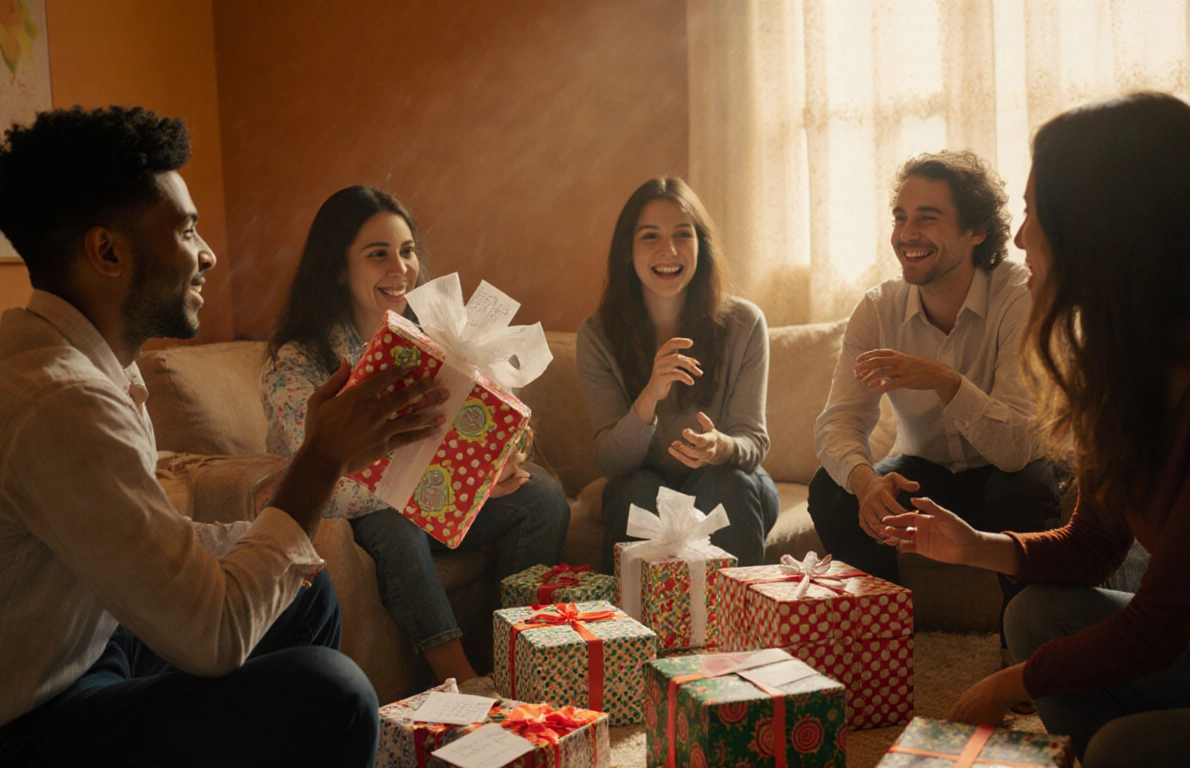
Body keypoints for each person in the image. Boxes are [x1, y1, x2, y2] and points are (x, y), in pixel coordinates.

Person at [885, 93, 1190, 766]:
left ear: (1107, 230)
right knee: (1035, 615)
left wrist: (1011, 684)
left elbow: (1159, 626)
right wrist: (975, 546)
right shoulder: (1132, 364)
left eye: (1039, 215)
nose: (1019, 238)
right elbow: (1095, 546)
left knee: (1127, 747)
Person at [0, 107, 448, 767]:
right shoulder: (62, 402)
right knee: (337, 692)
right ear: (108, 252)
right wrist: (318, 463)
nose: (207, 253)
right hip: (38, 714)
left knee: (304, 585)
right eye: (185, 229)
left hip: (97, 639)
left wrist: (271, 512)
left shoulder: (86, 362)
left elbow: (139, 541)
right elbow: (211, 637)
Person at [262, 185, 570, 689]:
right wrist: (460, 485)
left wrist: (503, 452)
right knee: (395, 525)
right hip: (362, 511)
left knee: (543, 497)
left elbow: (465, 432)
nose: (400, 267)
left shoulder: (431, 340)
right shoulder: (297, 360)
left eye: (406, 251)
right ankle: (464, 682)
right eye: (378, 254)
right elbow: (325, 477)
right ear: (339, 267)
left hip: (437, 504)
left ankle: (517, 657)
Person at [809, 150, 1059, 648]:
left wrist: (944, 380)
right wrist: (864, 483)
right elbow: (837, 423)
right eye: (901, 218)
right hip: (926, 471)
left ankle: (1022, 648)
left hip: (1004, 472)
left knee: (1024, 491)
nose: (906, 234)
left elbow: (1013, 448)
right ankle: (887, 641)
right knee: (831, 491)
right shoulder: (878, 308)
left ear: (977, 232)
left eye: (928, 218)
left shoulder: (1017, 294)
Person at [577, 177, 777, 571]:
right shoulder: (597, 335)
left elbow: (753, 441)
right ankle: (632, 630)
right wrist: (650, 394)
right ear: (627, 252)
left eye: (682, 235)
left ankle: (742, 628)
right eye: (650, 236)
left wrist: (722, 447)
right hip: (645, 483)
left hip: (731, 483)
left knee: (727, 483)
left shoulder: (745, 323)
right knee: (633, 492)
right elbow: (612, 464)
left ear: (701, 246)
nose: (668, 250)